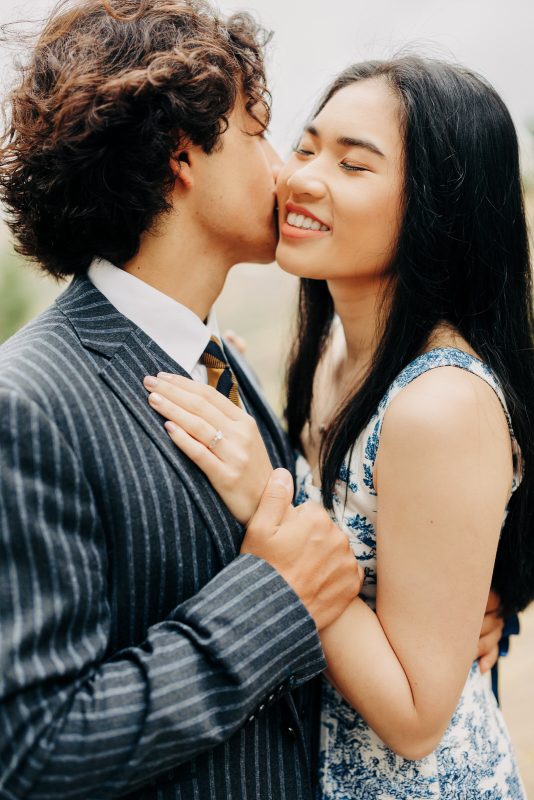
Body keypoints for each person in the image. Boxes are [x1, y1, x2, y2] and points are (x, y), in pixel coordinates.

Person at [0, 1, 364, 797]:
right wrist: (271, 599)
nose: (286, 170)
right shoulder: (25, 403)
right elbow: (30, 751)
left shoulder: (220, 359)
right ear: (181, 151)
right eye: (257, 128)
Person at [149, 57, 534, 797]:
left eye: (354, 165)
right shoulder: (331, 356)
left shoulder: (440, 405)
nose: (303, 179)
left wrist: (272, 502)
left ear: (436, 207)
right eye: (306, 146)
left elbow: (419, 717)